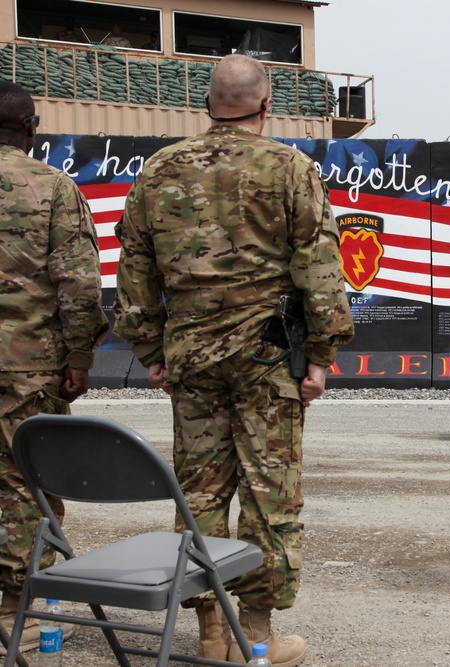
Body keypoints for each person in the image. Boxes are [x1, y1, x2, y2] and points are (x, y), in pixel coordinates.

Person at [113, 54, 354, 666]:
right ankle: (259, 634)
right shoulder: (290, 167)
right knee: (270, 490)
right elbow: (318, 269)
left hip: (191, 354)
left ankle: (209, 632)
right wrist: (320, 355)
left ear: (208, 106)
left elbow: (134, 272)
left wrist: (150, 349)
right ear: (266, 106)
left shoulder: (160, 169)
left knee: (199, 492)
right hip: (268, 356)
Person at [0, 81, 107, 650]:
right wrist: (79, 357)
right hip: (29, 369)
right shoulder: (51, 187)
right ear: (31, 128)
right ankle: (20, 611)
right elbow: (78, 284)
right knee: (25, 487)